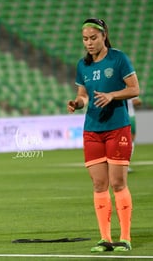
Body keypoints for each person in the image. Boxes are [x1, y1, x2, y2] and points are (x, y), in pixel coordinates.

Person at [67, 18, 139, 252]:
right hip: (92, 130)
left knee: (118, 183)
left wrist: (112, 95)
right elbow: (84, 94)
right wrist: (78, 103)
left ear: (104, 35)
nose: (89, 43)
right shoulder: (83, 65)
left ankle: (125, 238)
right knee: (99, 184)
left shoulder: (118, 58)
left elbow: (134, 89)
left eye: (93, 38)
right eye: (85, 39)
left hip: (117, 128)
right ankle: (105, 239)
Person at [127, 97, 142, 172]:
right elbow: (138, 101)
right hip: (129, 116)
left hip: (119, 116)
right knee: (130, 141)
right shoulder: (129, 87)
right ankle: (125, 165)